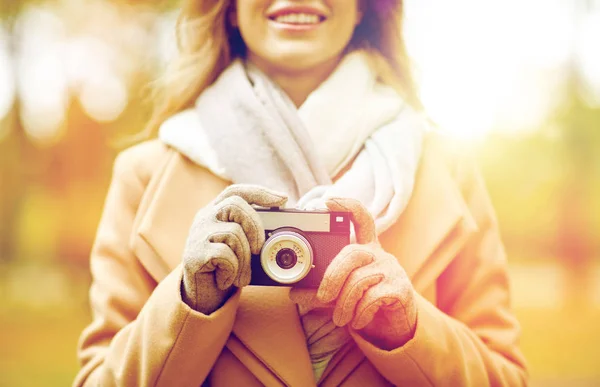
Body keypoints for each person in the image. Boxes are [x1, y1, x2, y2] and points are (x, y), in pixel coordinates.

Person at [74, 0, 528, 386]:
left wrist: (411, 329)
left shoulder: (447, 169)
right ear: (229, 9)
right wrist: (188, 304)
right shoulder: (144, 174)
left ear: (364, 9)